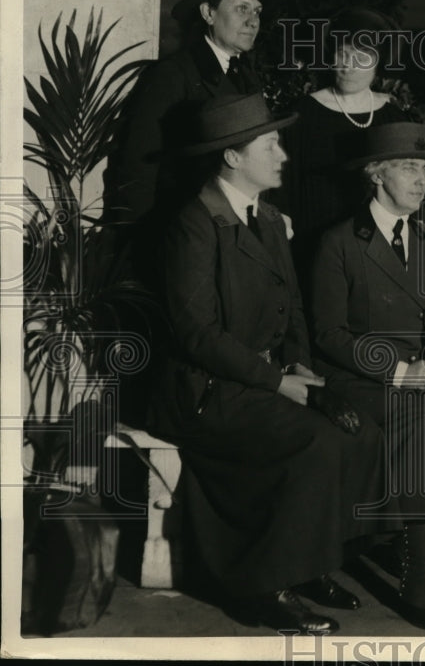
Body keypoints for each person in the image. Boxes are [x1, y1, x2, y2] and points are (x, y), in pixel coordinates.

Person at [148, 93, 392, 633]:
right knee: (315, 441)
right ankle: (264, 587)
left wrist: (299, 366)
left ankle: (313, 563)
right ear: (233, 157)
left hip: (260, 379)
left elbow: (295, 310)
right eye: (271, 145)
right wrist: (279, 383)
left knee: (360, 432)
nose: (283, 155)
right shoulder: (194, 224)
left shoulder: (270, 219)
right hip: (206, 390)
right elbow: (198, 335)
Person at [309, 122, 425, 631]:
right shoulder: (339, 242)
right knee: (424, 428)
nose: (422, 179)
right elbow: (327, 334)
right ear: (375, 174)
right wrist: (397, 370)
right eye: (410, 168)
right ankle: (417, 573)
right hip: (361, 377)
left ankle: (392, 534)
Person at [105, 0, 284, 228]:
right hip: (184, 232)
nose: (253, 21)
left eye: (257, 11)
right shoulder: (171, 75)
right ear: (208, 13)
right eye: (242, 9)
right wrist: (140, 240)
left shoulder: (247, 76)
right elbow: (137, 167)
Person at [273, 7, 407, 259]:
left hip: (377, 249)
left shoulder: (392, 116)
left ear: (378, 61)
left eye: (362, 57)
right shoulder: (301, 114)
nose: (349, 66)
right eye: (342, 54)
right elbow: (280, 185)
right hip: (313, 243)